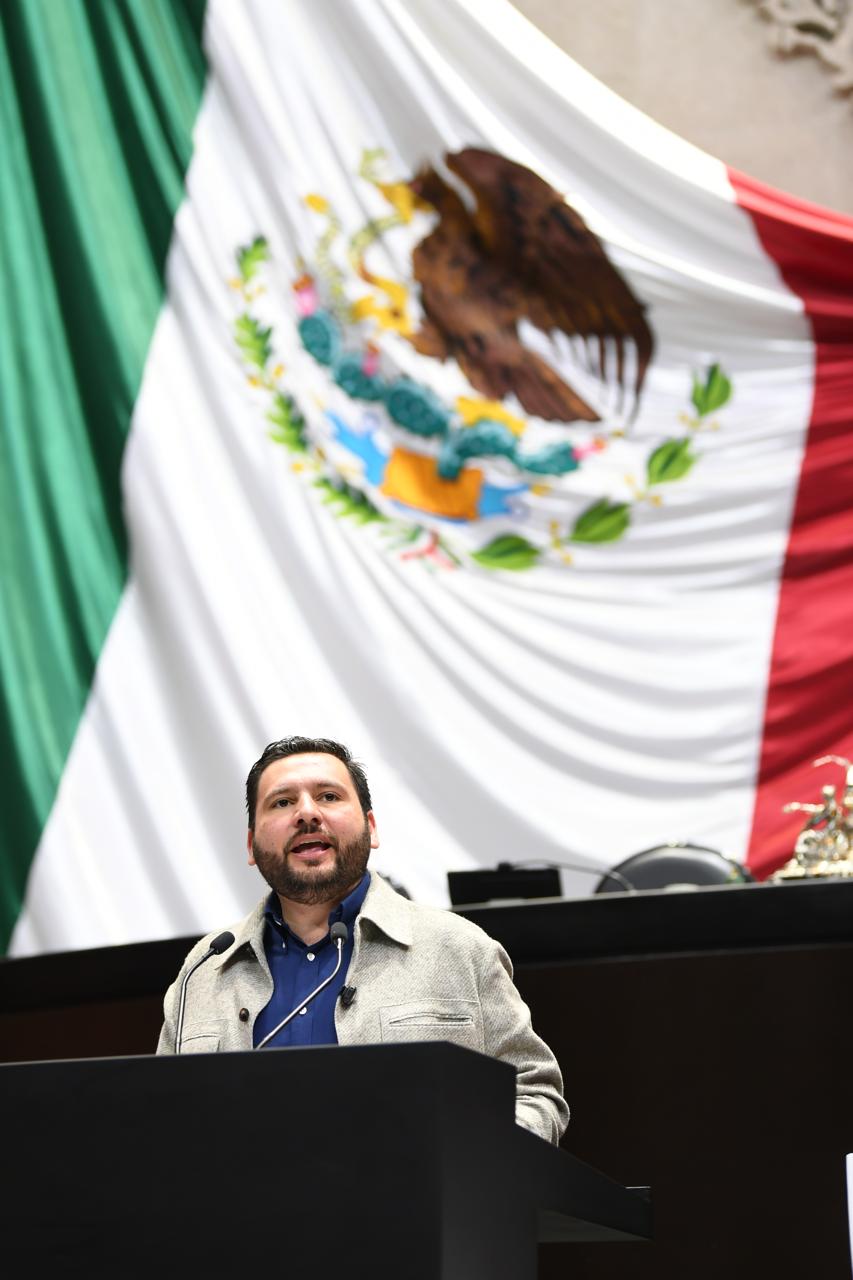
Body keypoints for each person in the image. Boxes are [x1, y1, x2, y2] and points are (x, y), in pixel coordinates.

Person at [158, 736, 569, 1144]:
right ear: (251, 845)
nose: (307, 813)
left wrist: (470, 1161)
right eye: (282, 802)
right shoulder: (204, 969)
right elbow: (162, 1113)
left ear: (371, 828)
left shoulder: (458, 948)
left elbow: (533, 1092)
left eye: (329, 796)